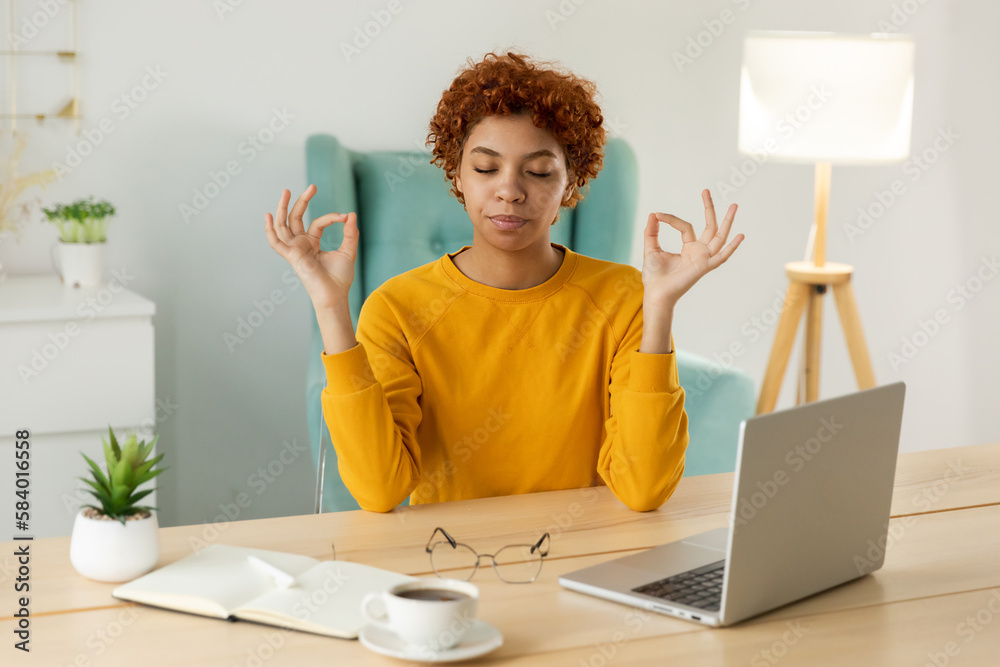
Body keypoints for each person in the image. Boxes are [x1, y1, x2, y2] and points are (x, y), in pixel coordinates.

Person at [265, 51, 743, 513]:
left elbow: (644, 490)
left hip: (584, 563)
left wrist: (659, 308)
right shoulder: (398, 308)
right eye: (486, 168)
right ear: (457, 176)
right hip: (451, 568)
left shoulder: (623, 298)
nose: (510, 190)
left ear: (570, 187)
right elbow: (378, 490)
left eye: (537, 171)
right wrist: (330, 306)